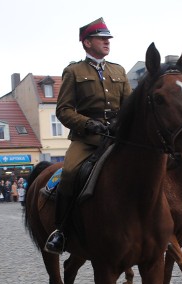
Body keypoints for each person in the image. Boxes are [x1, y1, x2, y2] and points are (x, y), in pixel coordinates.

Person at [44, 17, 131, 254]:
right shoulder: (73, 71)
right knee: (70, 173)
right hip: (87, 139)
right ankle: (61, 231)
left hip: (116, 137)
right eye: (101, 38)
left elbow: (129, 106)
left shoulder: (118, 70)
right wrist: (88, 124)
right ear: (86, 43)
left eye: (108, 38)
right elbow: (63, 110)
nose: (106, 41)